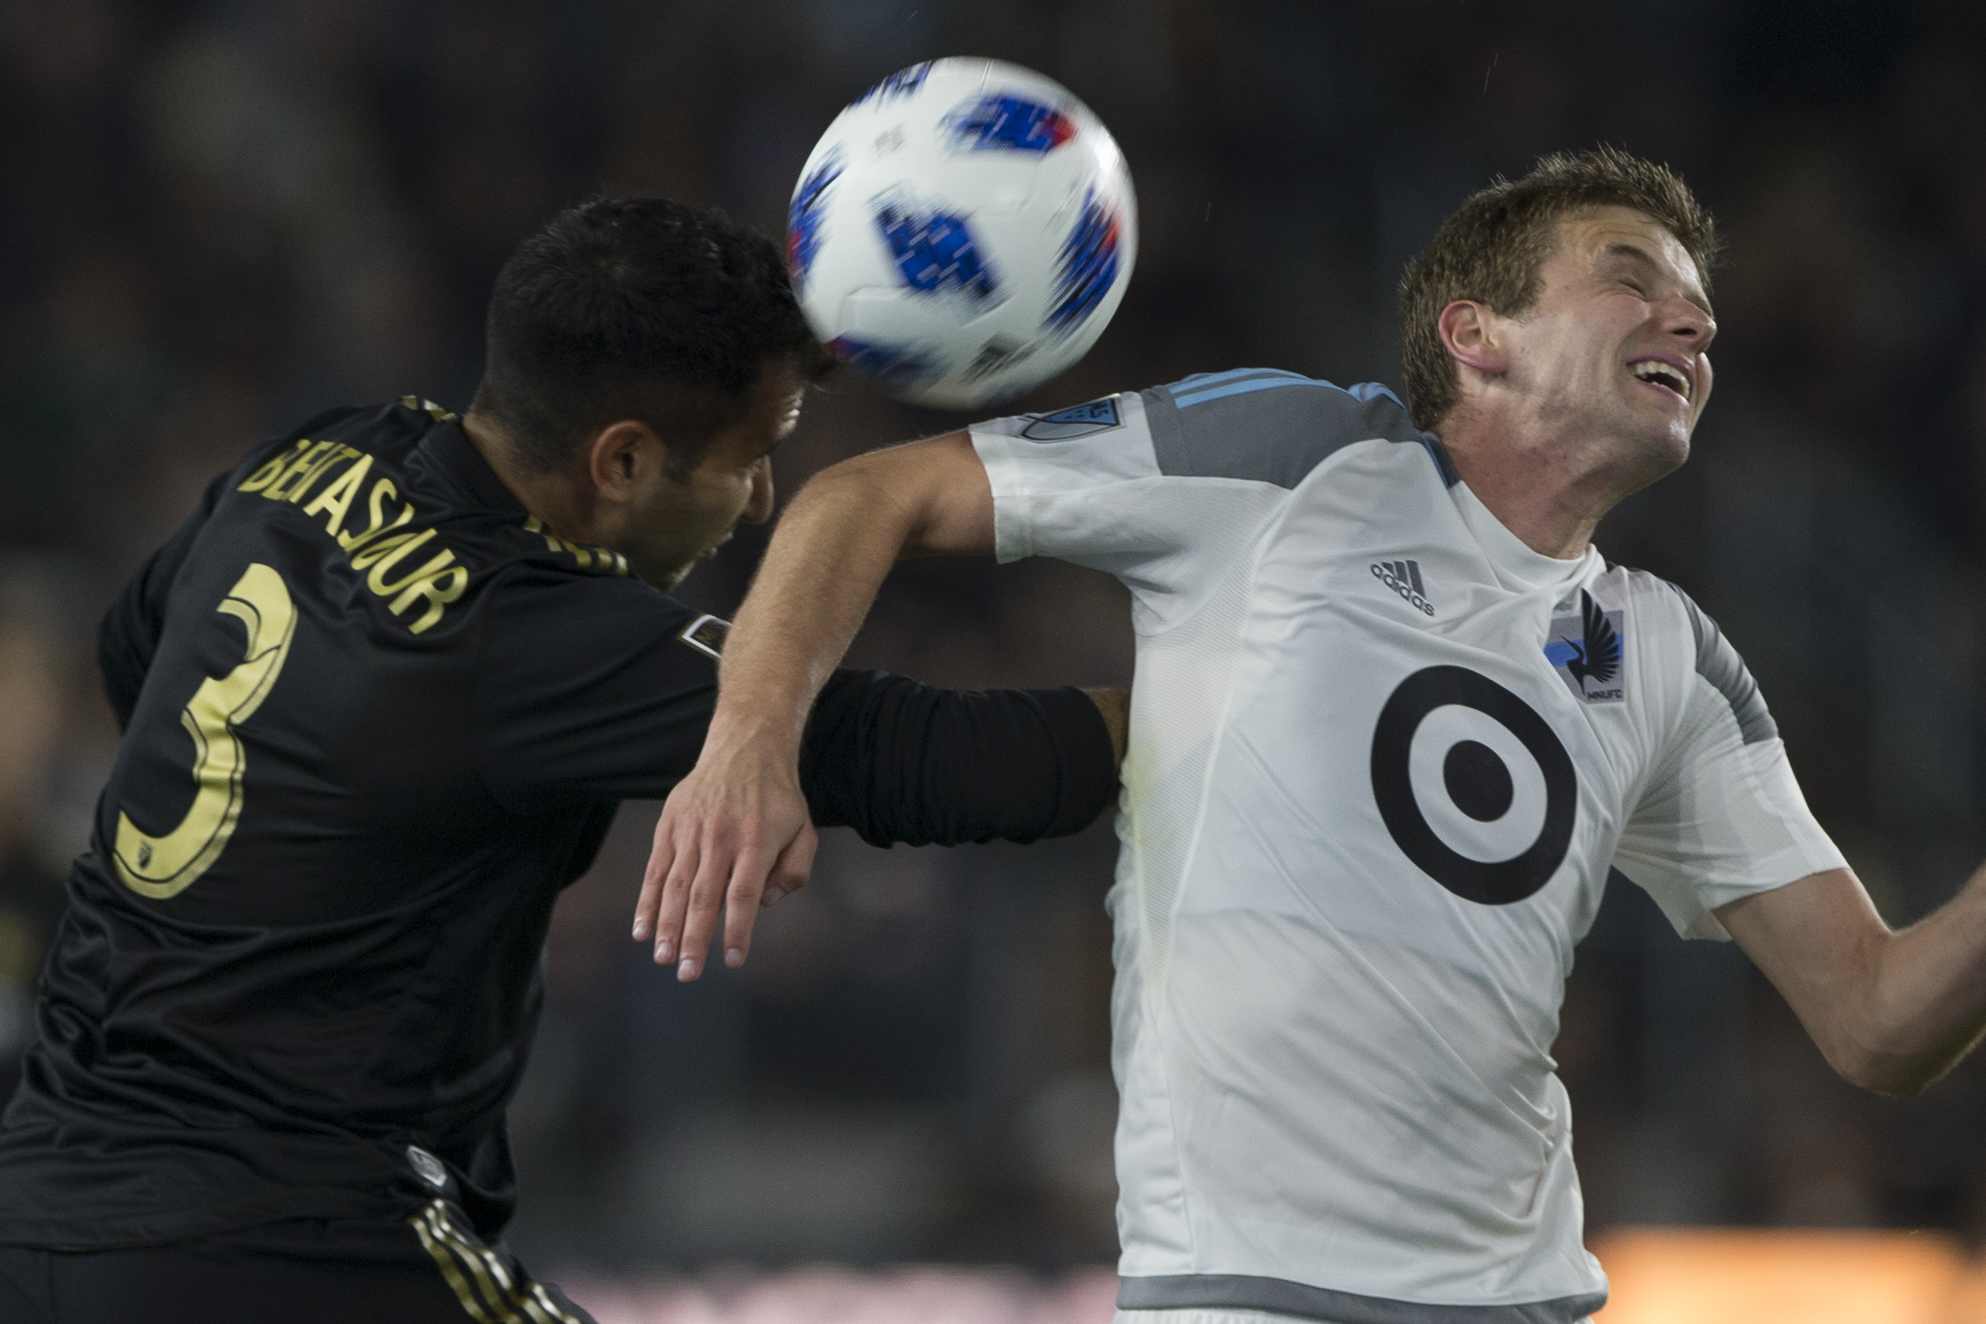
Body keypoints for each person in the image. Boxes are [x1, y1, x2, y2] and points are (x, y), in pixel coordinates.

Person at [644, 146, 1986, 1324]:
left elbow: (1874, 1019)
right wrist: (749, 742)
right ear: (1477, 334)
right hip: (1241, 1294)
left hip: (1523, 1301)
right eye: (1631, 275)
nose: (1690, 318)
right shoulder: (1300, 459)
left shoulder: (1669, 655)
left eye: (1697, 305)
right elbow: (867, 494)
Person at [0, 198, 1123, 1324]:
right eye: (750, 462)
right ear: (623, 461)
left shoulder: (311, 458)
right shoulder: (532, 633)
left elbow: (134, 646)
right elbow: (920, 756)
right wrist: (1232, 706)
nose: (766, 502)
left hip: (40, 1204)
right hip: (281, 1239)